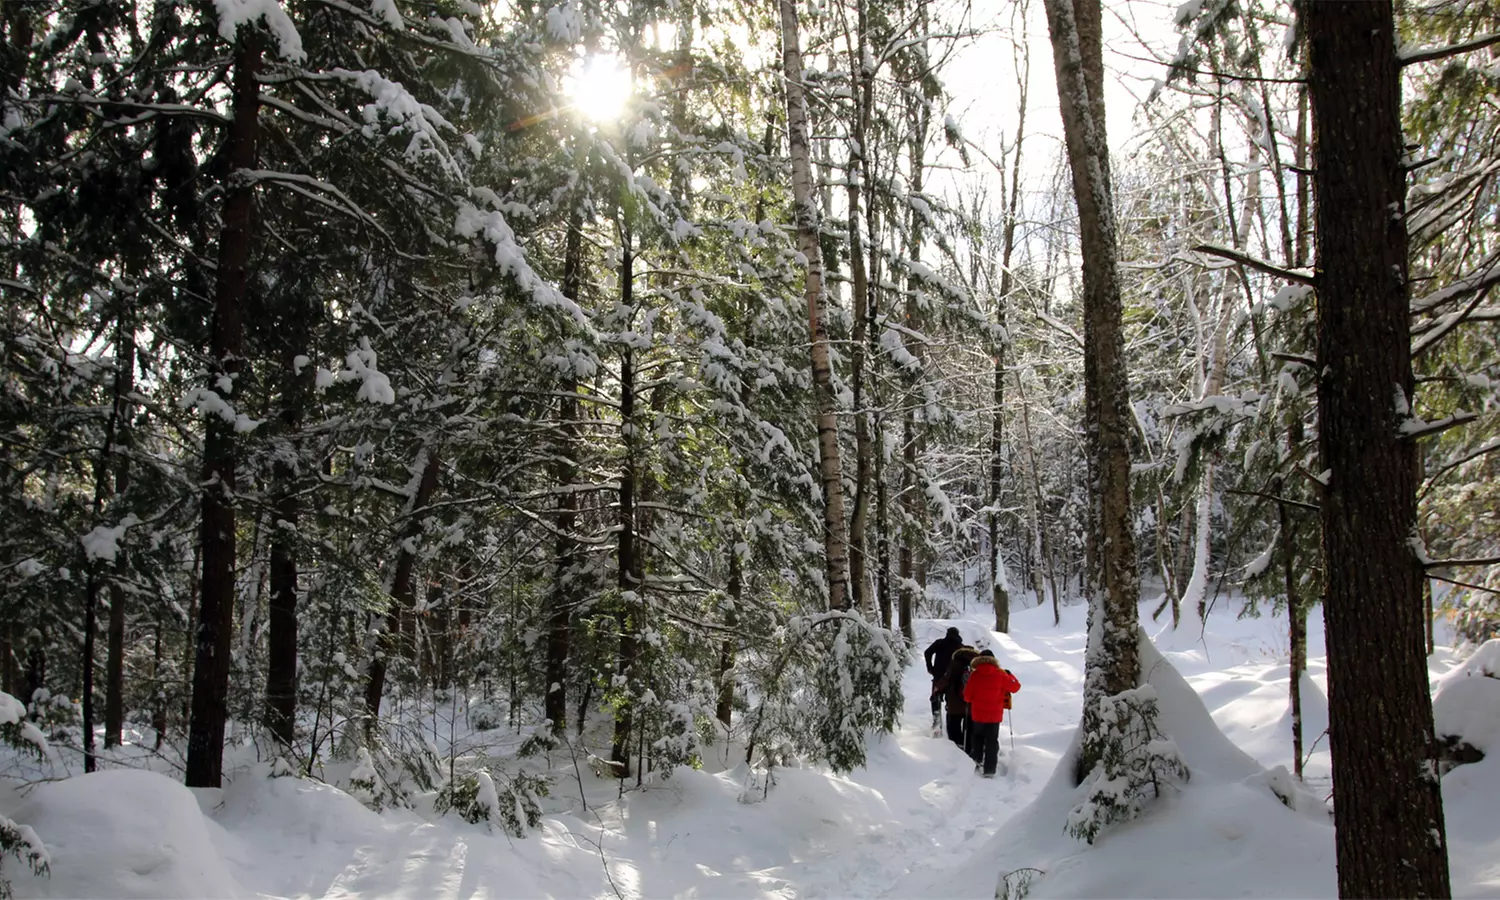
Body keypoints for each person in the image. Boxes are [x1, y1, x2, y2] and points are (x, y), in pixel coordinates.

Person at [963, 649, 1021, 778]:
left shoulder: (975, 675)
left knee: (977, 738)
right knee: (991, 741)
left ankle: (976, 760)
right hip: (994, 716)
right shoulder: (1001, 674)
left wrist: (975, 699)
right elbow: (1015, 687)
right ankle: (989, 769)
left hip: (978, 715)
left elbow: (967, 696)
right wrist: (1010, 675)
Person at [937, 644, 979, 749]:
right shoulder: (977, 665)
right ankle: (969, 749)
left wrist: (937, 690)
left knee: (953, 727)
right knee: (970, 729)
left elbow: (946, 679)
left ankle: (956, 749)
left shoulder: (955, 663)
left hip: (954, 702)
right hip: (972, 703)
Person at [923, 627, 963, 730]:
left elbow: (927, 652)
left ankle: (937, 722)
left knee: (935, 697)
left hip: (938, 675)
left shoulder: (940, 643)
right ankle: (951, 723)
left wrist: (930, 667)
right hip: (954, 678)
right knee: (951, 700)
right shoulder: (960, 647)